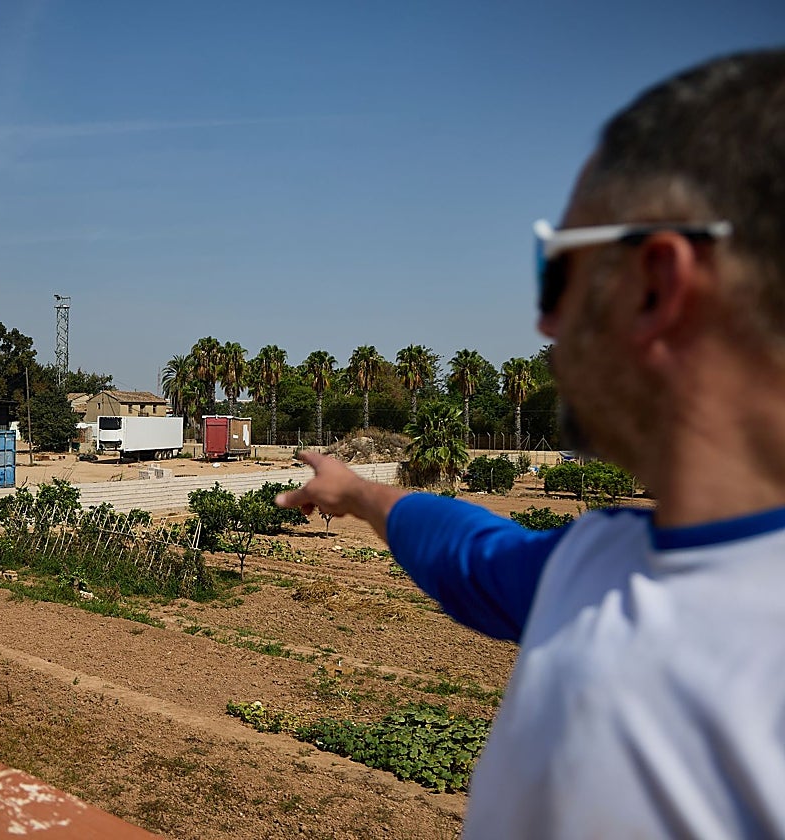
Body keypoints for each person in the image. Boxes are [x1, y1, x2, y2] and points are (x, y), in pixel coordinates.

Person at [277, 49, 785, 839]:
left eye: (557, 273)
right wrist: (355, 493)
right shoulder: (598, 562)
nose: (544, 324)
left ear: (657, 284)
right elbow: (471, 553)